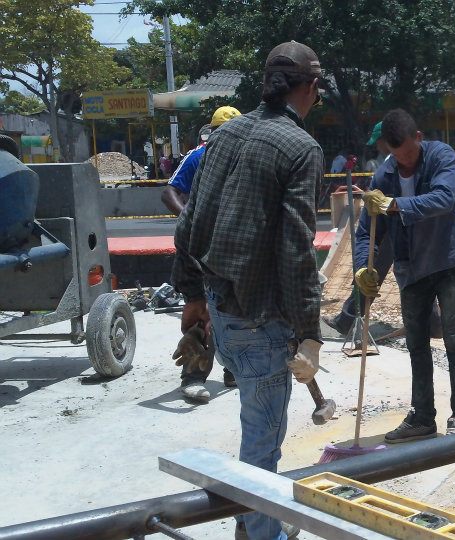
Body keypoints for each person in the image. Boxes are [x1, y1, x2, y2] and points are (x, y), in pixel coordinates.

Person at [172, 40, 326, 540]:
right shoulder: (302, 148)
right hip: (260, 321)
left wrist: (193, 297)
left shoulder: (227, 133)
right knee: (262, 446)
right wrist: (309, 332)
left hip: (221, 308)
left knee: (257, 432)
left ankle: (253, 521)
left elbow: (188, 220)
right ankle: (261, 532)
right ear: (310, 88)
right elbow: (297, 249)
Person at [355, 108, 455, 442]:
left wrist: (394, 205)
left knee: (454, 341)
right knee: (416, 345)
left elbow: (443, 199)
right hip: (412, 271)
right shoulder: (383, 178)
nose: (403, 160)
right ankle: (422, 417)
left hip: (449, 263)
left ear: (418, 138)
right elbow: (367, 232)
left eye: (407, 151)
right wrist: (364, 266)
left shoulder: (441, 156)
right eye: (396, 154)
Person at [323, 122, 441, 339]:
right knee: (410, 275)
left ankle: (346, 320)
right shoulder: (396, 160)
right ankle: (434, 325)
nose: (378, 146)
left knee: (372, 273)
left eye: (378, 142)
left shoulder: (398, 159)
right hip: (404, 224)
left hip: (393, 226)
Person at [162, 106, 242, 402]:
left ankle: (234, 369)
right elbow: (168, 192)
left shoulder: (242, 160)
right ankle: (193, 375)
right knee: (199, 310)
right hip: (194, 249)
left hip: (226, 249)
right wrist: (190, 221)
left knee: (232, 309)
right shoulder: (197, 157)